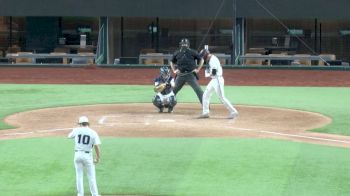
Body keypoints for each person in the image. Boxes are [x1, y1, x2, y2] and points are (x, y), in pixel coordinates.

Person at [198, 46, 239, 119]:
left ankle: (234, 112)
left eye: (203, 57)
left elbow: (213, 73)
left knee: (222, 97)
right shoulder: (210, 59)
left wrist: (207, 74)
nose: (203, 58)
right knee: (205, 95)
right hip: (214, 80)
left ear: (205, 55)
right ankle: (206, 112)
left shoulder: (213, 60)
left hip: (217, 80)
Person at [68, 116, 101, 196]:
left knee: (79, 176)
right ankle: (95, 194)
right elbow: (96, 146)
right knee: (91, 177)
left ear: (80, 124)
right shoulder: (93, 132)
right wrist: (97, 157)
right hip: (87, 156)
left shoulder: (76, 130)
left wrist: (76, 129)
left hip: (77, 155)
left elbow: (69, 136)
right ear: (88, 123)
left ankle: (80, 194)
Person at [170, 38, 204, 104]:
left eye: (185, 44)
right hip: (180, 75)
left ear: (188, 45)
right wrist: (174, 70)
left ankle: (205, 106)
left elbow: (201, 60)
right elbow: (171, 61)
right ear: (181, 45)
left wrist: (198, 69)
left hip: (190, 75)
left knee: (198, 90)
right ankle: (169, 104)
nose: (184, 45)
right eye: (183, 44)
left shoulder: (192, 52)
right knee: (173, 91)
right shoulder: (177, 52)